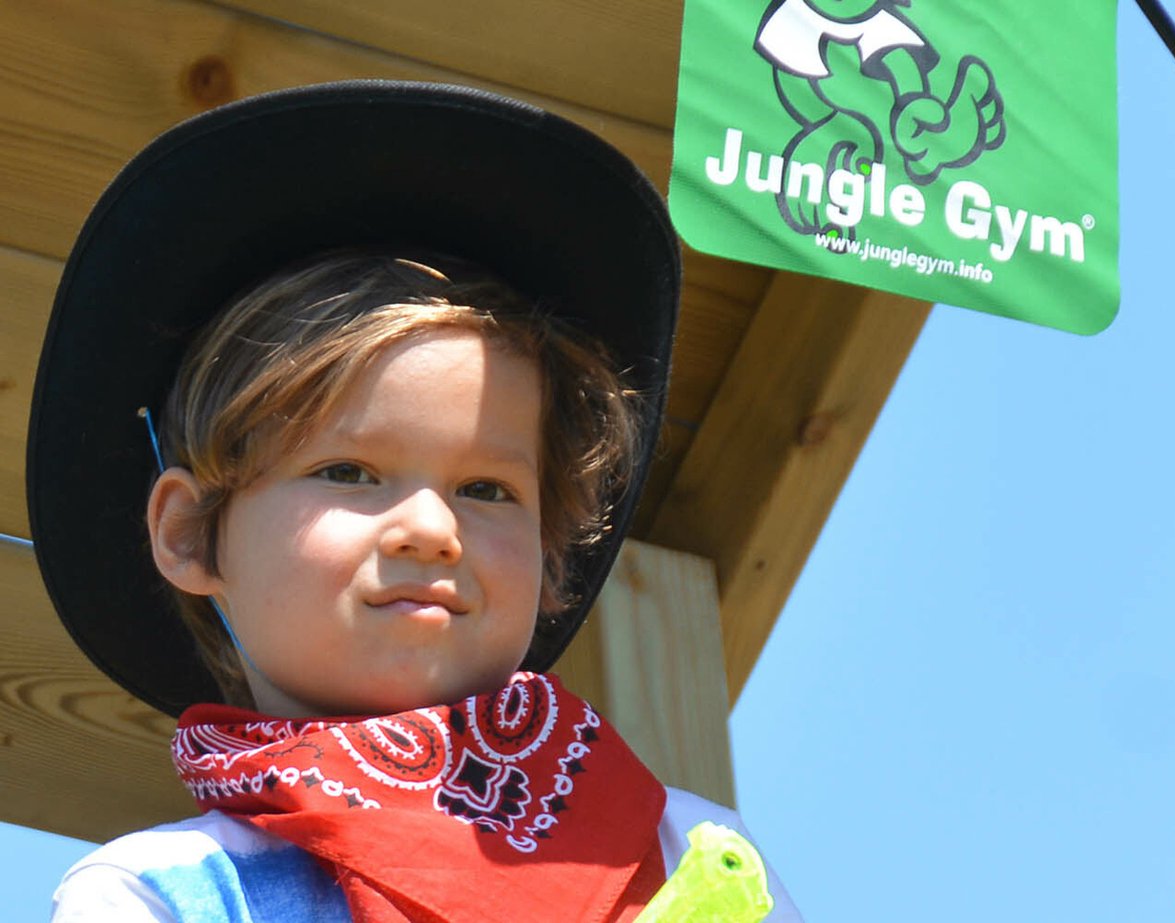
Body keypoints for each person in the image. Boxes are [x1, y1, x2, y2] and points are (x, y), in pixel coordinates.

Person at [29, 81, 802, 921]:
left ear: (550, 555)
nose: (434, 529)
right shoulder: (160, 893)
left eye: (486, 489)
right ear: (190, 534)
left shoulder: (688, 849)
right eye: (349, 472)